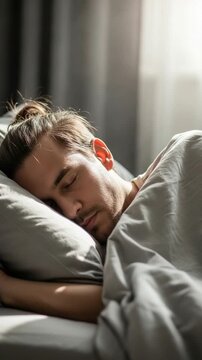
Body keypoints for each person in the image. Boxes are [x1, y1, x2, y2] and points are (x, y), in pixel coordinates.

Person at [0, 101, 157, 322]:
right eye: (51, 205)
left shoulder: (183, 158)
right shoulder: (114, 255)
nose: (70, 211)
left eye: (69, 182)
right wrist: (7, 288)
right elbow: (117, 300)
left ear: (102, 155)